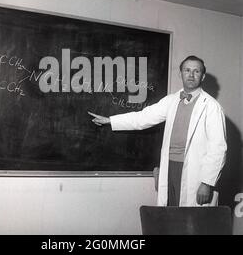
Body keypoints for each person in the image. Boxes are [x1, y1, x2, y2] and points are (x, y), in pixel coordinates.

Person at [88, 56, 227, 207]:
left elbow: (218, 148)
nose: (191, 75)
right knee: (170, 216)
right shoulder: (171, 100)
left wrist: (207, 183)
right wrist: (110, 120)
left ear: (203, 76)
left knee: (192, 223)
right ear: (180, 74)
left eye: (196, 71)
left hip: (195, 171)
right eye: (187, 70)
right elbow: (143, 117)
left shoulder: (212, 107)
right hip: (170, 166)